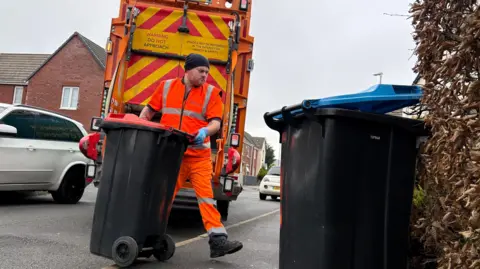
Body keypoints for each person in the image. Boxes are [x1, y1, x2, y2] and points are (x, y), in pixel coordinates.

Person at [139, 53, 243, 259]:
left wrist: (205, 131)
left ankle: (218, 241)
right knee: (162, 198)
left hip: (199, 157)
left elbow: (215, 123)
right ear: (188, 70)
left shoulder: (212, 93)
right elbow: (148, 111)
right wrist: (143, 126)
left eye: (207, 72)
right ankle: (146, 236)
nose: (206, 76)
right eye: (201, 71)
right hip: (172, 155)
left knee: (206, 199)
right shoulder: (166, 87)